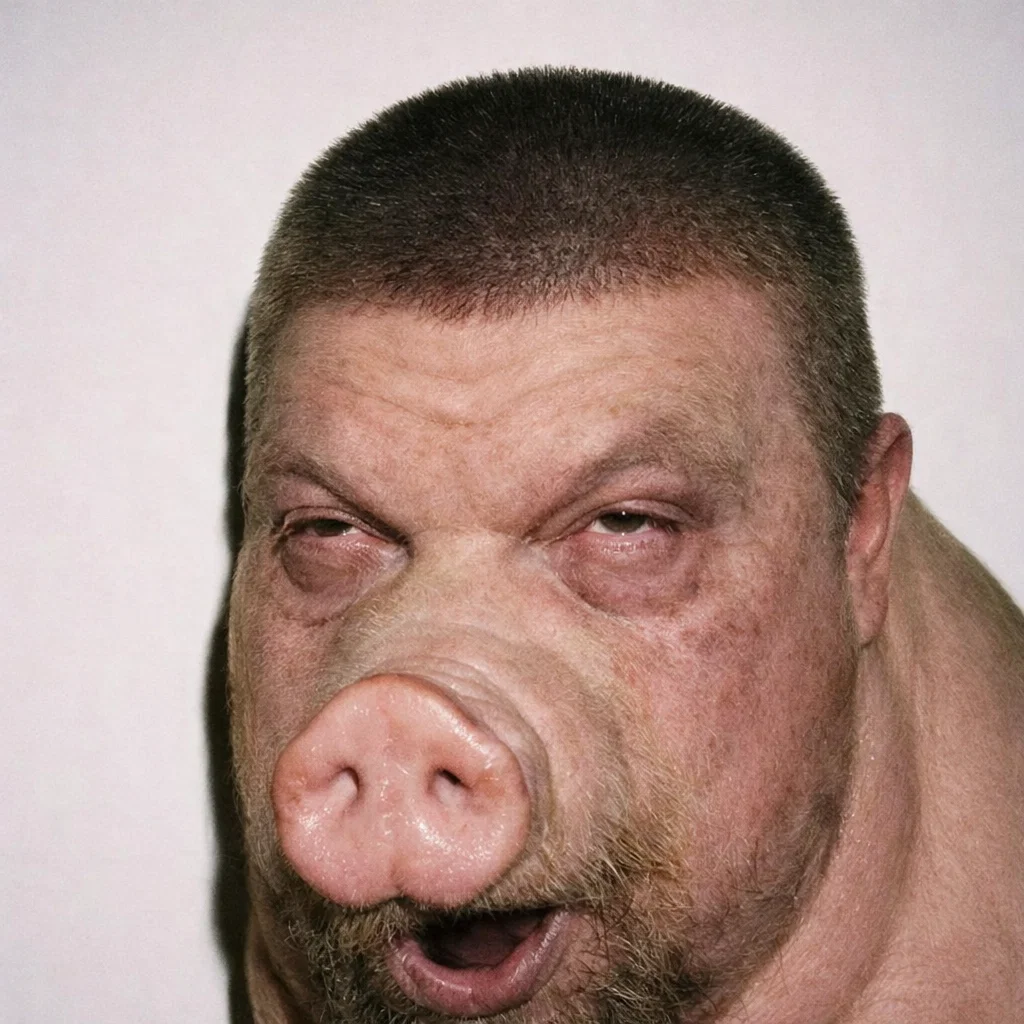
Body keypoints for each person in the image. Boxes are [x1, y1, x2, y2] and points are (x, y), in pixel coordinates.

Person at [226, 67, 1024, 1023]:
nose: (409, 692)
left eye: (625, 524)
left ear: (862, 530)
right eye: (332, 530)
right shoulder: (336, 829)